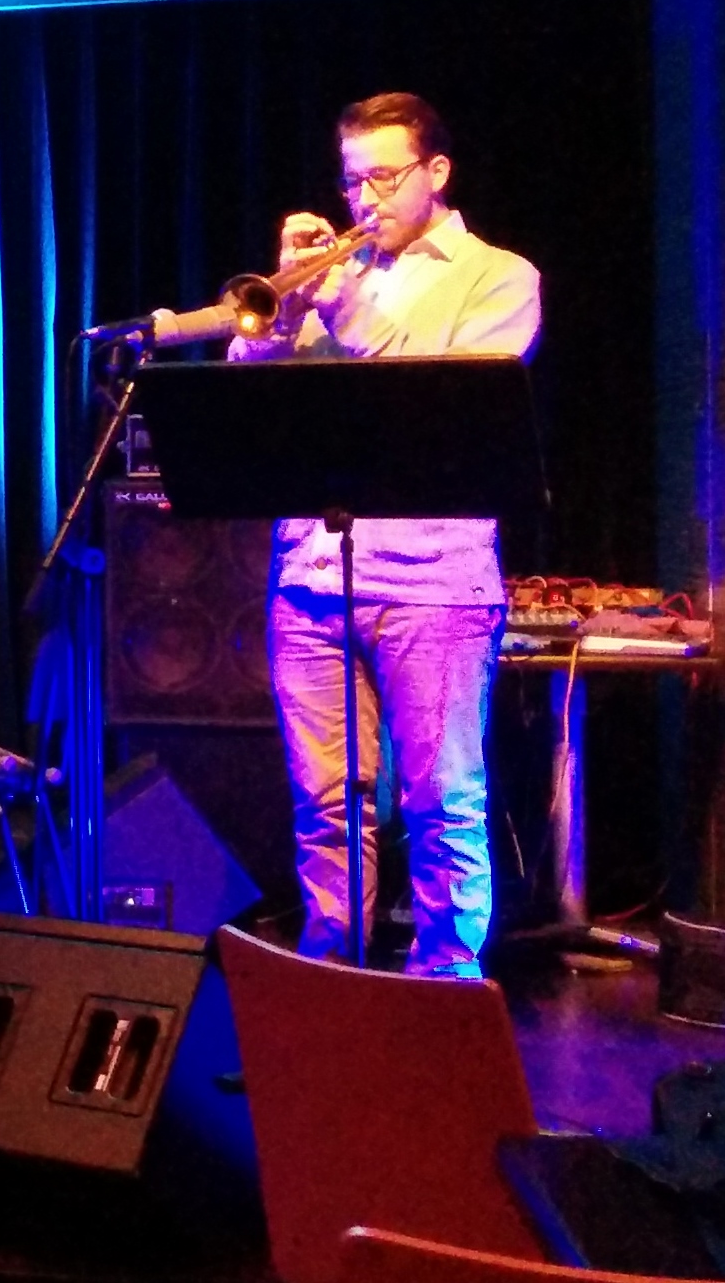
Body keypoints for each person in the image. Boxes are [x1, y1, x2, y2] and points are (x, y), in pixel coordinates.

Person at [229, 92, 540, 977]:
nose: (363, 200)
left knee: (443, 801)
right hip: (312, 579)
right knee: (326, 804)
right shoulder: (335, 280)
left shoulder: (499, 278)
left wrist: (343, 306)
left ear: (436, 173)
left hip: (434, 581)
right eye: (350, 181)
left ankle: (444, 984)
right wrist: (284, 307)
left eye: (383, 178)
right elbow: (253, 396)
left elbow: (447, 404)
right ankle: (334, 977)